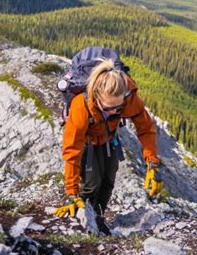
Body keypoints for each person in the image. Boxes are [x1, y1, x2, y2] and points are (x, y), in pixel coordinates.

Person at [53, 59, 163, 233]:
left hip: (109, 139)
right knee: (91, 184)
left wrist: (152, 162)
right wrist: (71, 193)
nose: (114, 112)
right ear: (96, 96)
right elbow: (72, 150)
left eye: (117, 108)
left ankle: (98, 218)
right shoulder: (81, 106)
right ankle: (82, 220)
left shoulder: (129, 99)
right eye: (108, 108)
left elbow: (146, 128)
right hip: (88, 142)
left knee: (108, 182)